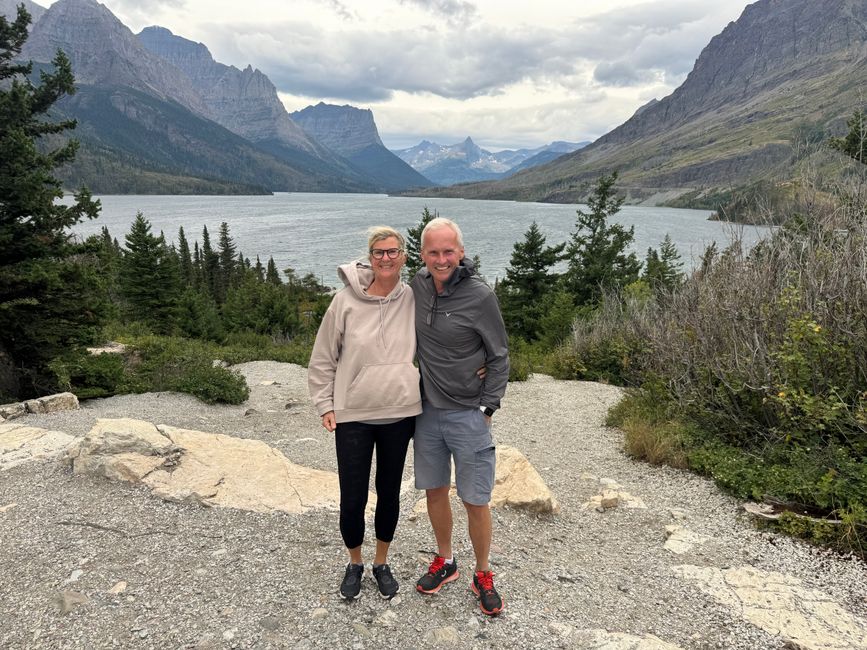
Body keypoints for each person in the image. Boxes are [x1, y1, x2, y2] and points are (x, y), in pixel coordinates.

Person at [308, 226, 421, 600]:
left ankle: (381, 562)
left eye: (393, 252)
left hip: (400, 413)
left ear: (404, 257)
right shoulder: (344, 301)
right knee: (352, 496)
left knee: (389, 493)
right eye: (378, 252)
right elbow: (323, 357)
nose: (386, 258)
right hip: (353, 414)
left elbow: (446, 333)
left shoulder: (414, 298)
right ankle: (354, 562)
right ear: (369, 257)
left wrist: (478, 363)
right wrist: (326, 403)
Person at [410, 217, 510, 616]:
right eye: (433, 252)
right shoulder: (416, 285)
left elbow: (499, 356)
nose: (441, 259)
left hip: (469, 412)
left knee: (475, 498)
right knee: (435, 490)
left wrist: (487, 408)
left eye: (448, 251)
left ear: (461, 252)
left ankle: (482, 572)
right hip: (427, 411)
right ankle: (446, 560)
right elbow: (372, 273)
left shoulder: (480, 295)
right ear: (422, 255)